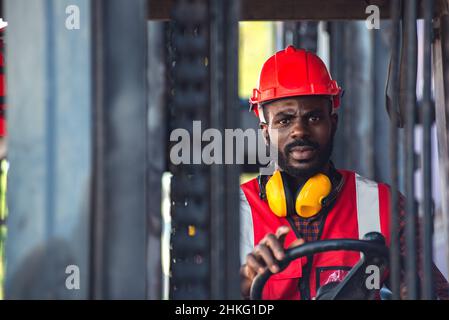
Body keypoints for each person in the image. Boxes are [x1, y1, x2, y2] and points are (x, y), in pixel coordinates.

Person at [239, 45, 449, 300]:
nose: (299, 131)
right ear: (265, 132)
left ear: (333, 123)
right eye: (284, 120)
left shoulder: (384, 206)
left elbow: (435, 293)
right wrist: (240, 287)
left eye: (314, 117)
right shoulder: (236, 214)